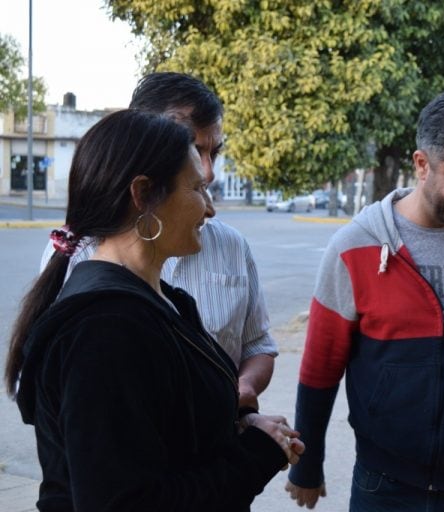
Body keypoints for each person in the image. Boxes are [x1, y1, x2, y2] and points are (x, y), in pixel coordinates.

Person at [5, 110, 304, 511]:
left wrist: (240, 426)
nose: (210, 209)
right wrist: (255, 454)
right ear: (143, 194)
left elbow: (168, 430)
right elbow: (126, 501)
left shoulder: (163, 300)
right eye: (197, 189)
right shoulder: (106, 329)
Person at [285, 91, 444, 511]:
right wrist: (307, 463)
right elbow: (320, 367)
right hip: (383, 486)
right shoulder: (353, 247)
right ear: (422, 164)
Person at [39, 72, 277, 413]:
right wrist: (259, 450)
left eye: (215, 153)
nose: (208, 173)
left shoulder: (229, 248)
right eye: (194, 151)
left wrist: (241, 394)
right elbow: (113, 449)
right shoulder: (81, 265)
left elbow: (258, 344)